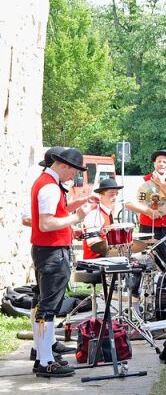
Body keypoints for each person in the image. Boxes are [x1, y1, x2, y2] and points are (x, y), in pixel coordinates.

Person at [29, 147, 94, 378]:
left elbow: (58, 212)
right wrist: (78, 218)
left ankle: (42, 354)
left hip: (47, 250)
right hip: (52, 252)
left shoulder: (47, 182)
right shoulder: (49, 186)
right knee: (47, 308)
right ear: (64, 166)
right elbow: (46, 224)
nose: (74, 177)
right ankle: (45, 360)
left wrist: (79, 204)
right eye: (74, 172)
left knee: (43, 304)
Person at [82, 177, 147, 259]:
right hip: (95, 261)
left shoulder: (108, 212)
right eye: (112, 194)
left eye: (117, 194)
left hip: (105, 258)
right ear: (101, 195)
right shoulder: (94, 214)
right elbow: (92, 242)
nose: (115, 197)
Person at [126, 149, 166, 240]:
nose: (161, 164)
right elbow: (128, 203)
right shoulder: (144, 180)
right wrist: (147, 211)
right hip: (147, 227)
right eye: (159, 161)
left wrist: (161, 183)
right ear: (154, 164)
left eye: (165, 162)